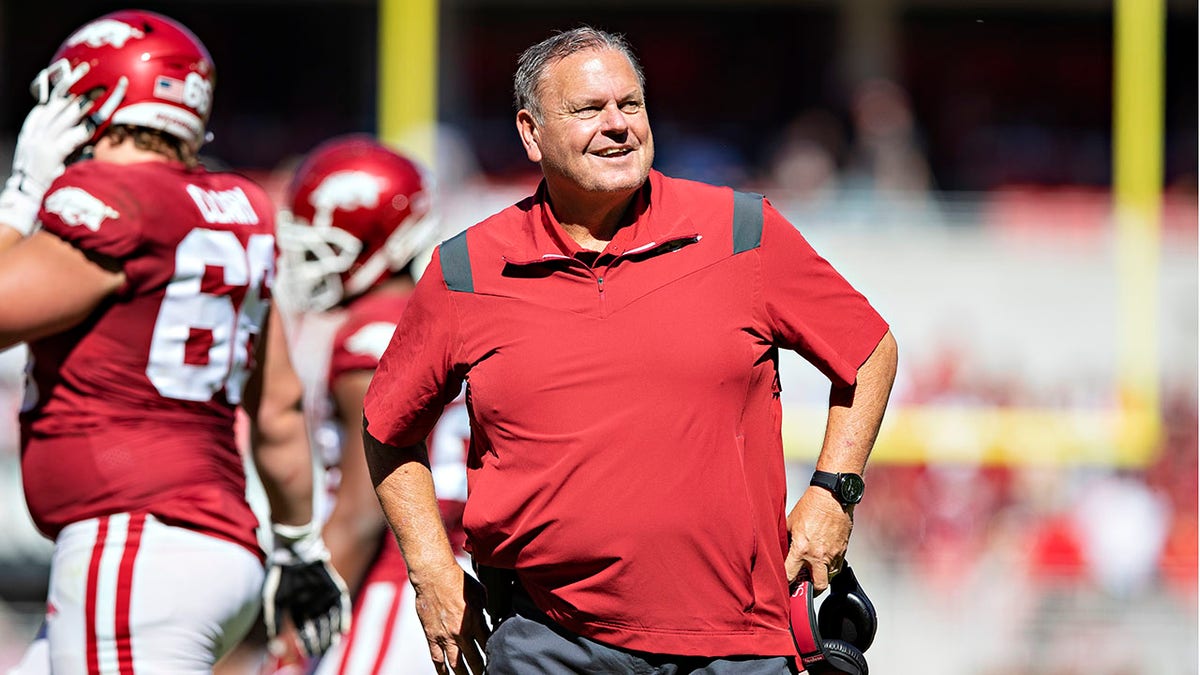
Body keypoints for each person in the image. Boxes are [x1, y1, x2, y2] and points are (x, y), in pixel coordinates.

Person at [363, 26, 898, 675]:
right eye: (589, 109)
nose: (617, 125)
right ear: (531, 133)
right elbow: (388, 428)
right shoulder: (466, 269)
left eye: (631, 105)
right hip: (549, 639)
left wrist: (833, 492)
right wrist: (431, 568)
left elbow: (868, 350)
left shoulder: (741, 230)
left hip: (739, 646)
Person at [0, 10, 349, 673]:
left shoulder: (109, 197)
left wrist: (21, 196)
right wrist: (300, 544)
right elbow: (275, 406)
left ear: (86, 100)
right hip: (221, 547)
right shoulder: (239, 207)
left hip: (137, 540)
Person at [272, 135, 471, 674]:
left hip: (393, 583)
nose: (309, 262)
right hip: (455, 571)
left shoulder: (372, 330)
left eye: (326, 244)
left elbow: (364, 510)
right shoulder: (436, 311)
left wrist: (291, 640)